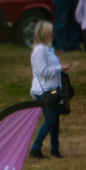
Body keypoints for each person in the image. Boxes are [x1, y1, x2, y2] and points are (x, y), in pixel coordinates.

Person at [28, 20, 66, 159]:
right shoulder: (40, 51)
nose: (53, 33)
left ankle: (55, 149)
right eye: (51, 31)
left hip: (52, 89)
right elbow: (43, 72)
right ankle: (36, 148)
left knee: (55, 120)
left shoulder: (48, 49)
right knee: (50, 120)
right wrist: (59, 68)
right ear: (45, 33)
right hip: (43, 91)